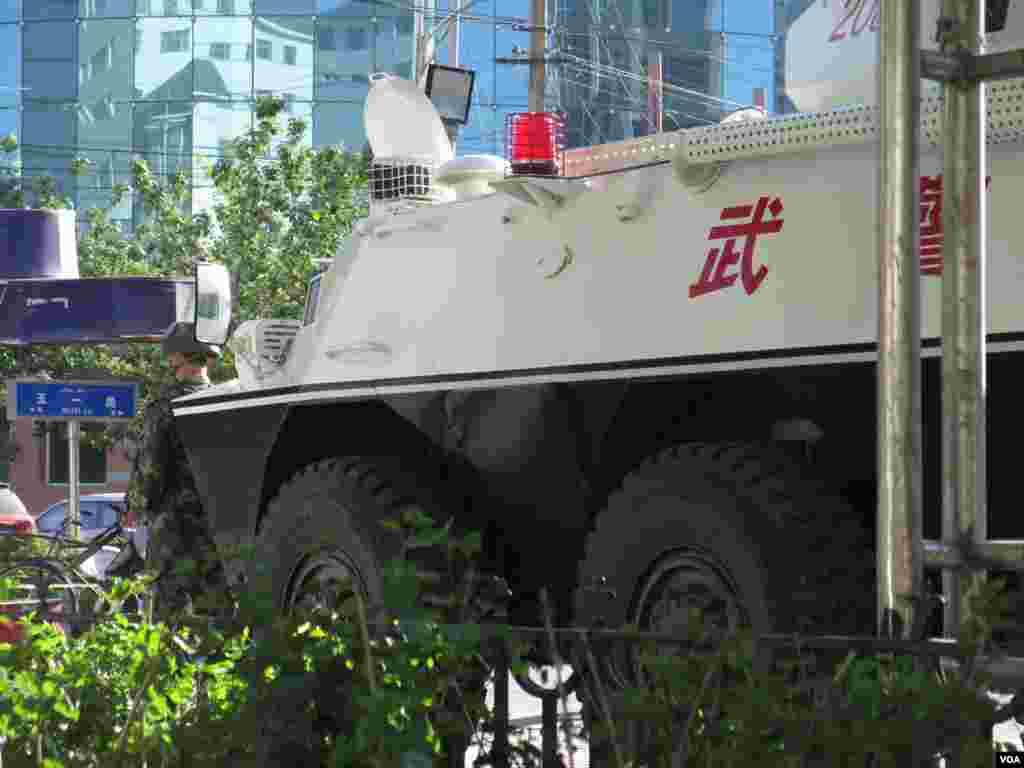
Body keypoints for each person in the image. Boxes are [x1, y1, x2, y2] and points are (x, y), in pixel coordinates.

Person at [127, 321, 229, 619]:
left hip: (174, 529)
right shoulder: (227, 401)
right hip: (220, 528)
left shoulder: (165, 405)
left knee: (166, 618)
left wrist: (136, 505)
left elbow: (151, 469)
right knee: (217, 617)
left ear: (176, 357)